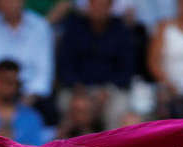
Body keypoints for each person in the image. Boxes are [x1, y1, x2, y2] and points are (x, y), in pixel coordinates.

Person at [57, 0, 136, 130]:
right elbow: (65, 64)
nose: (98, 9)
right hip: (78, 88)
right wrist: (78, 86)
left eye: (102, 5)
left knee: (119, 109)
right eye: (94, 5)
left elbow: (127, 68)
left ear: (110, 7)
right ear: (88, 5)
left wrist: (108, 90)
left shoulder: (121, 30)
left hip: (111, 90)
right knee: (67, 103)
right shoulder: (74, 28)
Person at [0, 0, 54, 114]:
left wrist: (25, 100)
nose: (8, 3)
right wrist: (0, 95)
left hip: (30, 99)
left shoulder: (41, 26)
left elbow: (43, 75)